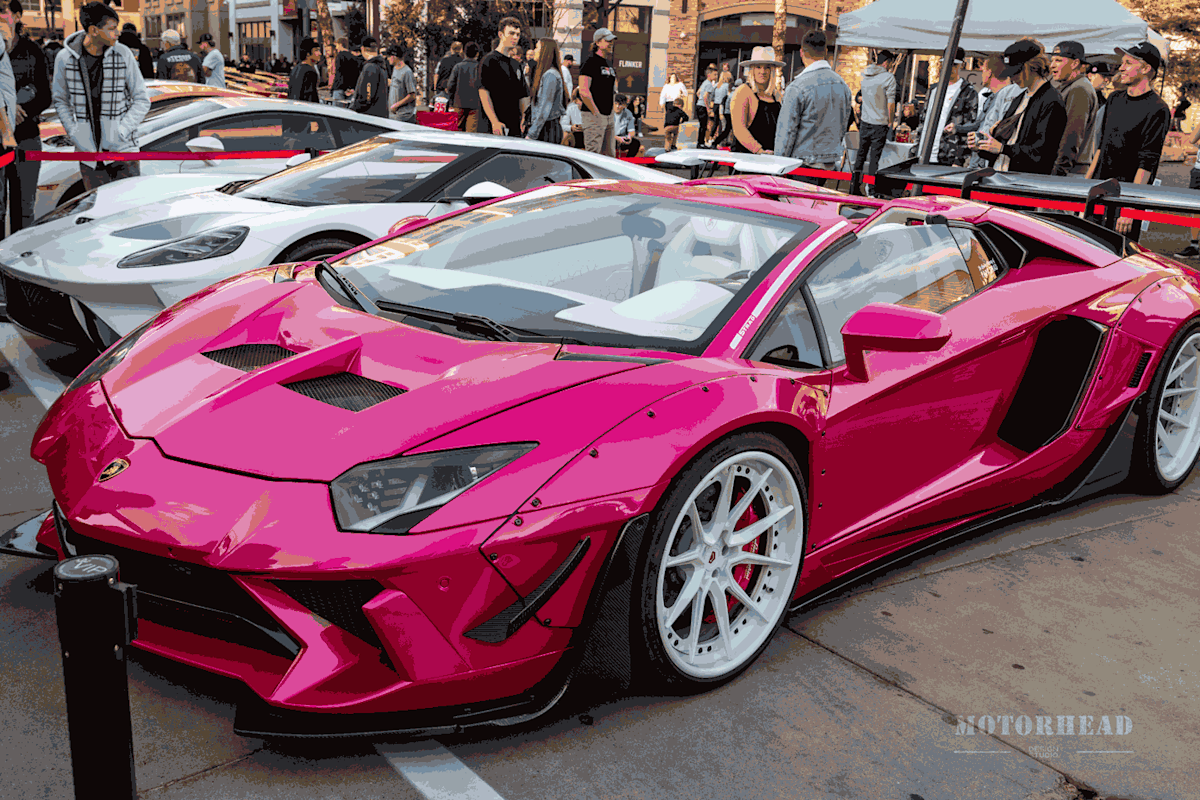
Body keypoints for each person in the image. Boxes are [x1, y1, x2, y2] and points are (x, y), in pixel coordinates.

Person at [51, 1, 149, 191]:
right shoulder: (65, 58)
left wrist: (121, 131)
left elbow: (142, 99)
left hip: (123, 153)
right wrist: (74, 133)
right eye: (112, 29)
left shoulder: (123, 54)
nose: (117, 33)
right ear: (94, 30)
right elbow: (61, 100)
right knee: (97, 208)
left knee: (129, 207)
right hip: (89, 155)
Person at [1085, 41, 1171, 239]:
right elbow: (1101, 147)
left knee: (1117, 252)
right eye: (1122, 62)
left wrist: (1130, 207)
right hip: (1098, 192)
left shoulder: (1158, 108)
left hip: (1124, 200)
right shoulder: (1114, 99)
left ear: (1146, 68)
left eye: (1128, 63)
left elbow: (1147, 163)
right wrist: (1084, 187)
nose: (1121, 68)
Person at [974, 39, 1066, 175]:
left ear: (1032, 67)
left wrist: (1002, 149)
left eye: (1015, 72)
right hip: (1002, 174)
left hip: (1024, 180)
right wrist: (982, 145)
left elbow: (1042, 154)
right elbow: (1006, 142)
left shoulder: (1051, 101)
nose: (1012, 77)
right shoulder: (1021, 97)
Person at [776, 29, 852, 182]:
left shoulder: (797, 87)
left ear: (801, 52)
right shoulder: (842, 85)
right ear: (825, 51)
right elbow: (843, 125)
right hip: (829, 164)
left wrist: (778, 166)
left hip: (801, 165)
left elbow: (787, 132)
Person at [3, 0, 47, 235]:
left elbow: (45, 95)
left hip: (27, 136)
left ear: (17, 16)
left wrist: (22, 110)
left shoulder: (32, 51)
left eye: (3, 11)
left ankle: (19, 253)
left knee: (25, 208)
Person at [964, 54, 1025, 171]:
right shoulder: (990, 97)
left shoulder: (1012, 97)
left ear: (990, 72)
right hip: (981, 161)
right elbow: (981, 126)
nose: (981, 73)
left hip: (995, 164)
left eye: (983, 70)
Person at [1049, 40, 1097, 175]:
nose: (1052, 65)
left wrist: (1059, 170)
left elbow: (1072, 135)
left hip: (1069, 170)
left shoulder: (1079, 89)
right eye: (1052, 61)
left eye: (1058, 60)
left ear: (1075, 63)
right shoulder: (1067, 86)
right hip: (1065, 167)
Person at [854, 49, 897, 187]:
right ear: (886, 63)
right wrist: (891, 121)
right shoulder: (888, 77)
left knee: (860, 156)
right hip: (880, 123)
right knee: (874, 159)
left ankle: (854, 187)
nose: (890, 66)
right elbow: (891, 103)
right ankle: (871, 189)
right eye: (890, 64)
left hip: (865, 122)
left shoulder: (865, 74)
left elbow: (861, 97)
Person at [928, 47, 977, 165]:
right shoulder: (934, 90)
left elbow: (969, 127)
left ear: (961, 65)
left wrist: (959, 159)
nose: (949, 68)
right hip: (926, 152)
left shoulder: (968, 92)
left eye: (954, 64)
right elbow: (924, 120)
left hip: (950, 155)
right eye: (946, 63)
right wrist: (916, 148)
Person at [479, 17, 525, 135]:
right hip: (493, 127)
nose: (515, 37)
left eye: (518, 34)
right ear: (501, 34)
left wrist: (525, 117)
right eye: (511, 33)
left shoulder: (516, 64)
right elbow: (484, 92)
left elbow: (523, 95)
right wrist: (494, 121)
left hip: (514, 126)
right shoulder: (489, 60)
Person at [731, 46, 781, 155]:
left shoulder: (776, 95)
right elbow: (739, 128)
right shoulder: (743, 91)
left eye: (767, 68)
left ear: (772, 71)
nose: (762, 71)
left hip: (772, 157)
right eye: (758, 67)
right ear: (752, 69)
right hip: (746, 157)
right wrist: (759, 151)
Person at [579, 26, 617, 154]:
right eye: (608, 41)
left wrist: (611, 112)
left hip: (608, 115)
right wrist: (596, 113)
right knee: (593, 153)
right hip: (593, 115)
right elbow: (583, 90)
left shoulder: (609, 63)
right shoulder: (589, 62)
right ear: (598, 42)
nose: (611, 44)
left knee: (609, 155)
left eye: (612, 41)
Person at [525, 37, 566, 143]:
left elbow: (544, 107)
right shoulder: (546, 74)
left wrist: (532, 134)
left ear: (545, 51)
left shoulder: (550, 75)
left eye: (537, 48)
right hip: (544, 127)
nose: (534, 51)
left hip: (547, 129)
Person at [446, 41, 480, 132]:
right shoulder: (479, 68)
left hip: (459, 103)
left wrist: (452, 100)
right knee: (471, 132)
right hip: (475, 104)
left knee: (456, 130)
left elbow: (450, 85)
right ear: (477, 54)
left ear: (464, 52)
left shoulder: (458, 67)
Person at [350, 37, 388, 117]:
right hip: (379, 114)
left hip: (368, 115)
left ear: (362, 48)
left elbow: (367, 96)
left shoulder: (370, 67)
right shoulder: (381, 66)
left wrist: (356, 107)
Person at [1178, 122, 1200, 258]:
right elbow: (1192, 139)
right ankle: (1194, 245)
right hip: (1198, 170)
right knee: (1195, 208)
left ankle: (1194, 245)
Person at [385, 44, 416, 122]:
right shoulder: (395, 69)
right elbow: (397, 84)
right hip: (394, 115)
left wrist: (396, 105)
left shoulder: (407, 72)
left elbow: (412, 95)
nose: (387, 59)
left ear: (394, 56)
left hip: (403, 116)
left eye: (389, 56)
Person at [288, 37, 321, 102]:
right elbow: (311, 97)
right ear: (308, 54)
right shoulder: (310, 72)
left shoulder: (295, 69)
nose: (320, 53)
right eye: (316, 50)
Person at [330, 37, 359, 105]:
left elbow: (338, 73)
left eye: (337, 45)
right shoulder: (353, 57)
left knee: (337, 109)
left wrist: (332, 88)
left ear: (340, 44)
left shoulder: (339, 56)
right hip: (350, 89)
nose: (336, 48)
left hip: (339, 87)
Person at [695, 65, 716, 147]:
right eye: (714, 74)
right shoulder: (709, 84)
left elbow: (698, 92)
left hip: (699, 105)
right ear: (709, 75)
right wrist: (708, 108)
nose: (716, 76)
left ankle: (700, 142)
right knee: (703, 126)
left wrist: (700, 99)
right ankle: (700, 143)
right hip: (703, 106)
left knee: (702, 125)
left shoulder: (704, 83)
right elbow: (705, 96)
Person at [711, 71, 732, 147]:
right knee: (723, 124)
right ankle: (721, 141)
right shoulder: (727, 86)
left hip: (715, 104)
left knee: (716, 123)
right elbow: (728, 96)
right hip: (723, 105)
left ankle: (711, 138)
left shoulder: (716, 85)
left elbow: (712, 95)